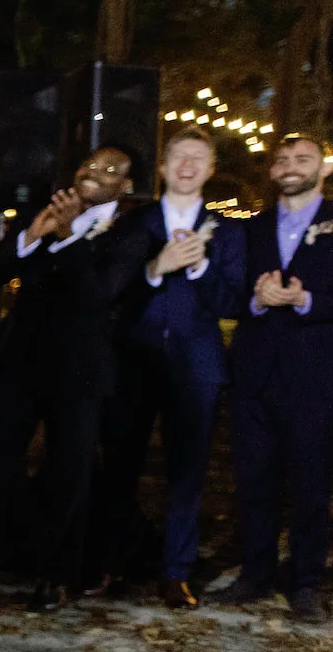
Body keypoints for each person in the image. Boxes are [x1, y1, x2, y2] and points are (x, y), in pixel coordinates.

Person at [0, 147, 148, 611]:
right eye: (87, 164)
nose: (92, 173)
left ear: (126, 186)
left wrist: (67, 239)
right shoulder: (46, 208)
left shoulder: (131, 230)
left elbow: (97, 294)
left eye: (109, 170)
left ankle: (56, 576)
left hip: (79, 368)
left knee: (69, 473)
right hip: (20, 359)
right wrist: (32, 236)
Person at [89, 126, 247, 606]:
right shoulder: (135, 224)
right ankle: (107, 565)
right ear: (162, 167)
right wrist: (155, 269)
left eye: (198, 158)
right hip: (133, 359)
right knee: (119, 464)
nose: (187, 166)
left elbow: (233, 300)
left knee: (186, 470)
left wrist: (199, 269)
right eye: (178, 156)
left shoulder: (230, 230)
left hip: (195, 364)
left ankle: (175, 572)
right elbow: (110, 293)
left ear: (210, 169)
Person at [211, 134, 333, 623]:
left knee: (310, 485)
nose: (290, 166)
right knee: (254, 481)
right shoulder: (251, 228)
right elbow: (233, 294)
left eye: (302, 159)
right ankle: (255, 575)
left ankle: (305, 583)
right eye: (282, 159)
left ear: (322, 169)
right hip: (255, 374)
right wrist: (258, 302)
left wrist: (305, 301)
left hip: (315, 376)